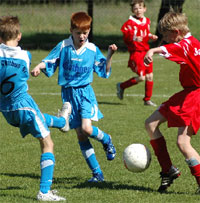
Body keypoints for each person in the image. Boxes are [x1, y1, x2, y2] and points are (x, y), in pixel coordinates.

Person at [31, 12, 118, 182]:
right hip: (68, 95)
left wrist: (109, 55)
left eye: (85, 33)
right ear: (71, 30)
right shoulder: (64, 46)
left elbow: (104, 70)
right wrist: (38, 67)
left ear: (89, 31)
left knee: (86, 128)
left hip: (85, 93)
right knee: (81, 135)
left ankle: (106, 139)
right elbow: (50, 61)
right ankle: (97, 174)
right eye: (78, 33)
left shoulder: (92, 49)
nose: (82, 36)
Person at [0, 16, 72, 201]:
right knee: (48, 144)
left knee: (37, 118)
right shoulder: (26, 56)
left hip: (6, 109)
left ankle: (62, 121)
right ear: (19, 35)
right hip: (24, 104)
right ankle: (44, 192)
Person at [144, 11, 200, 193]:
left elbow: (168, 50)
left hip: (195, 96)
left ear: (176, 32)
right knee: (151, 124)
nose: (165, 40)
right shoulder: (193, 44)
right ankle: (168, 170)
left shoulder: (186, 45)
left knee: (183, 142)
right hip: (187, 93)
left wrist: (152, 50)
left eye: (166, 36)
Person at [117, 0, 158, 106]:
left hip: (146, 51)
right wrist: (134, 38)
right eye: (135, 8)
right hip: (136, 53)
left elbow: (145, 33)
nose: (138, 10)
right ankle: (122, 86)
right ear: (132, 10)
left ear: (145, 9)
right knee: (141, 77)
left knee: (150, 76)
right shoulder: (129, 23)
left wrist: (151, 36)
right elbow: (125, 36)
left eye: (140, 7)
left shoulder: (147, 21)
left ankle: (147, 100)